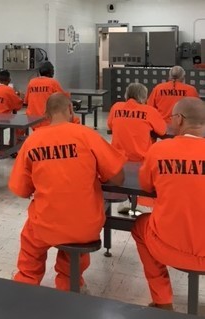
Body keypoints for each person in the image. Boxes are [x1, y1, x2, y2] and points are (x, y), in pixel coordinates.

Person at [9, 92, 125, 291]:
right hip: (85, 226)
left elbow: (21, 189)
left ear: (46, 115)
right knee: (76, 245)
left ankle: (25, 286)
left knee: (30, 243)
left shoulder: (33, 141)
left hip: (45, 224)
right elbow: (118, 178)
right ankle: (70, 282)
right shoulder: (86, 135)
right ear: (71, 110)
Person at [132, 97, 205, 311]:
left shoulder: (159, 151)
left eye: (172, 117)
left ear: (180, 120)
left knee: (139, 226)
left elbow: (146, 186)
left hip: (169, 248)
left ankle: (163, 300)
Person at [108, 83, 166, 213]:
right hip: (142, 159)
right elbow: (162, 131)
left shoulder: (116, 107)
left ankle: (126, 201)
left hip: (118, 159)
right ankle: (143, 201)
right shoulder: (149, 111)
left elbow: (110, 125)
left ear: (126, 94)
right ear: (144, 96)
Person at [24, 62, 69, 130]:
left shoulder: (31, 82)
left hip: (32, 118)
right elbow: (63, 98)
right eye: (53, 70)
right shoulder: (53, 82)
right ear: (50, 72)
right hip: (47, 118)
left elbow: (26, 101)